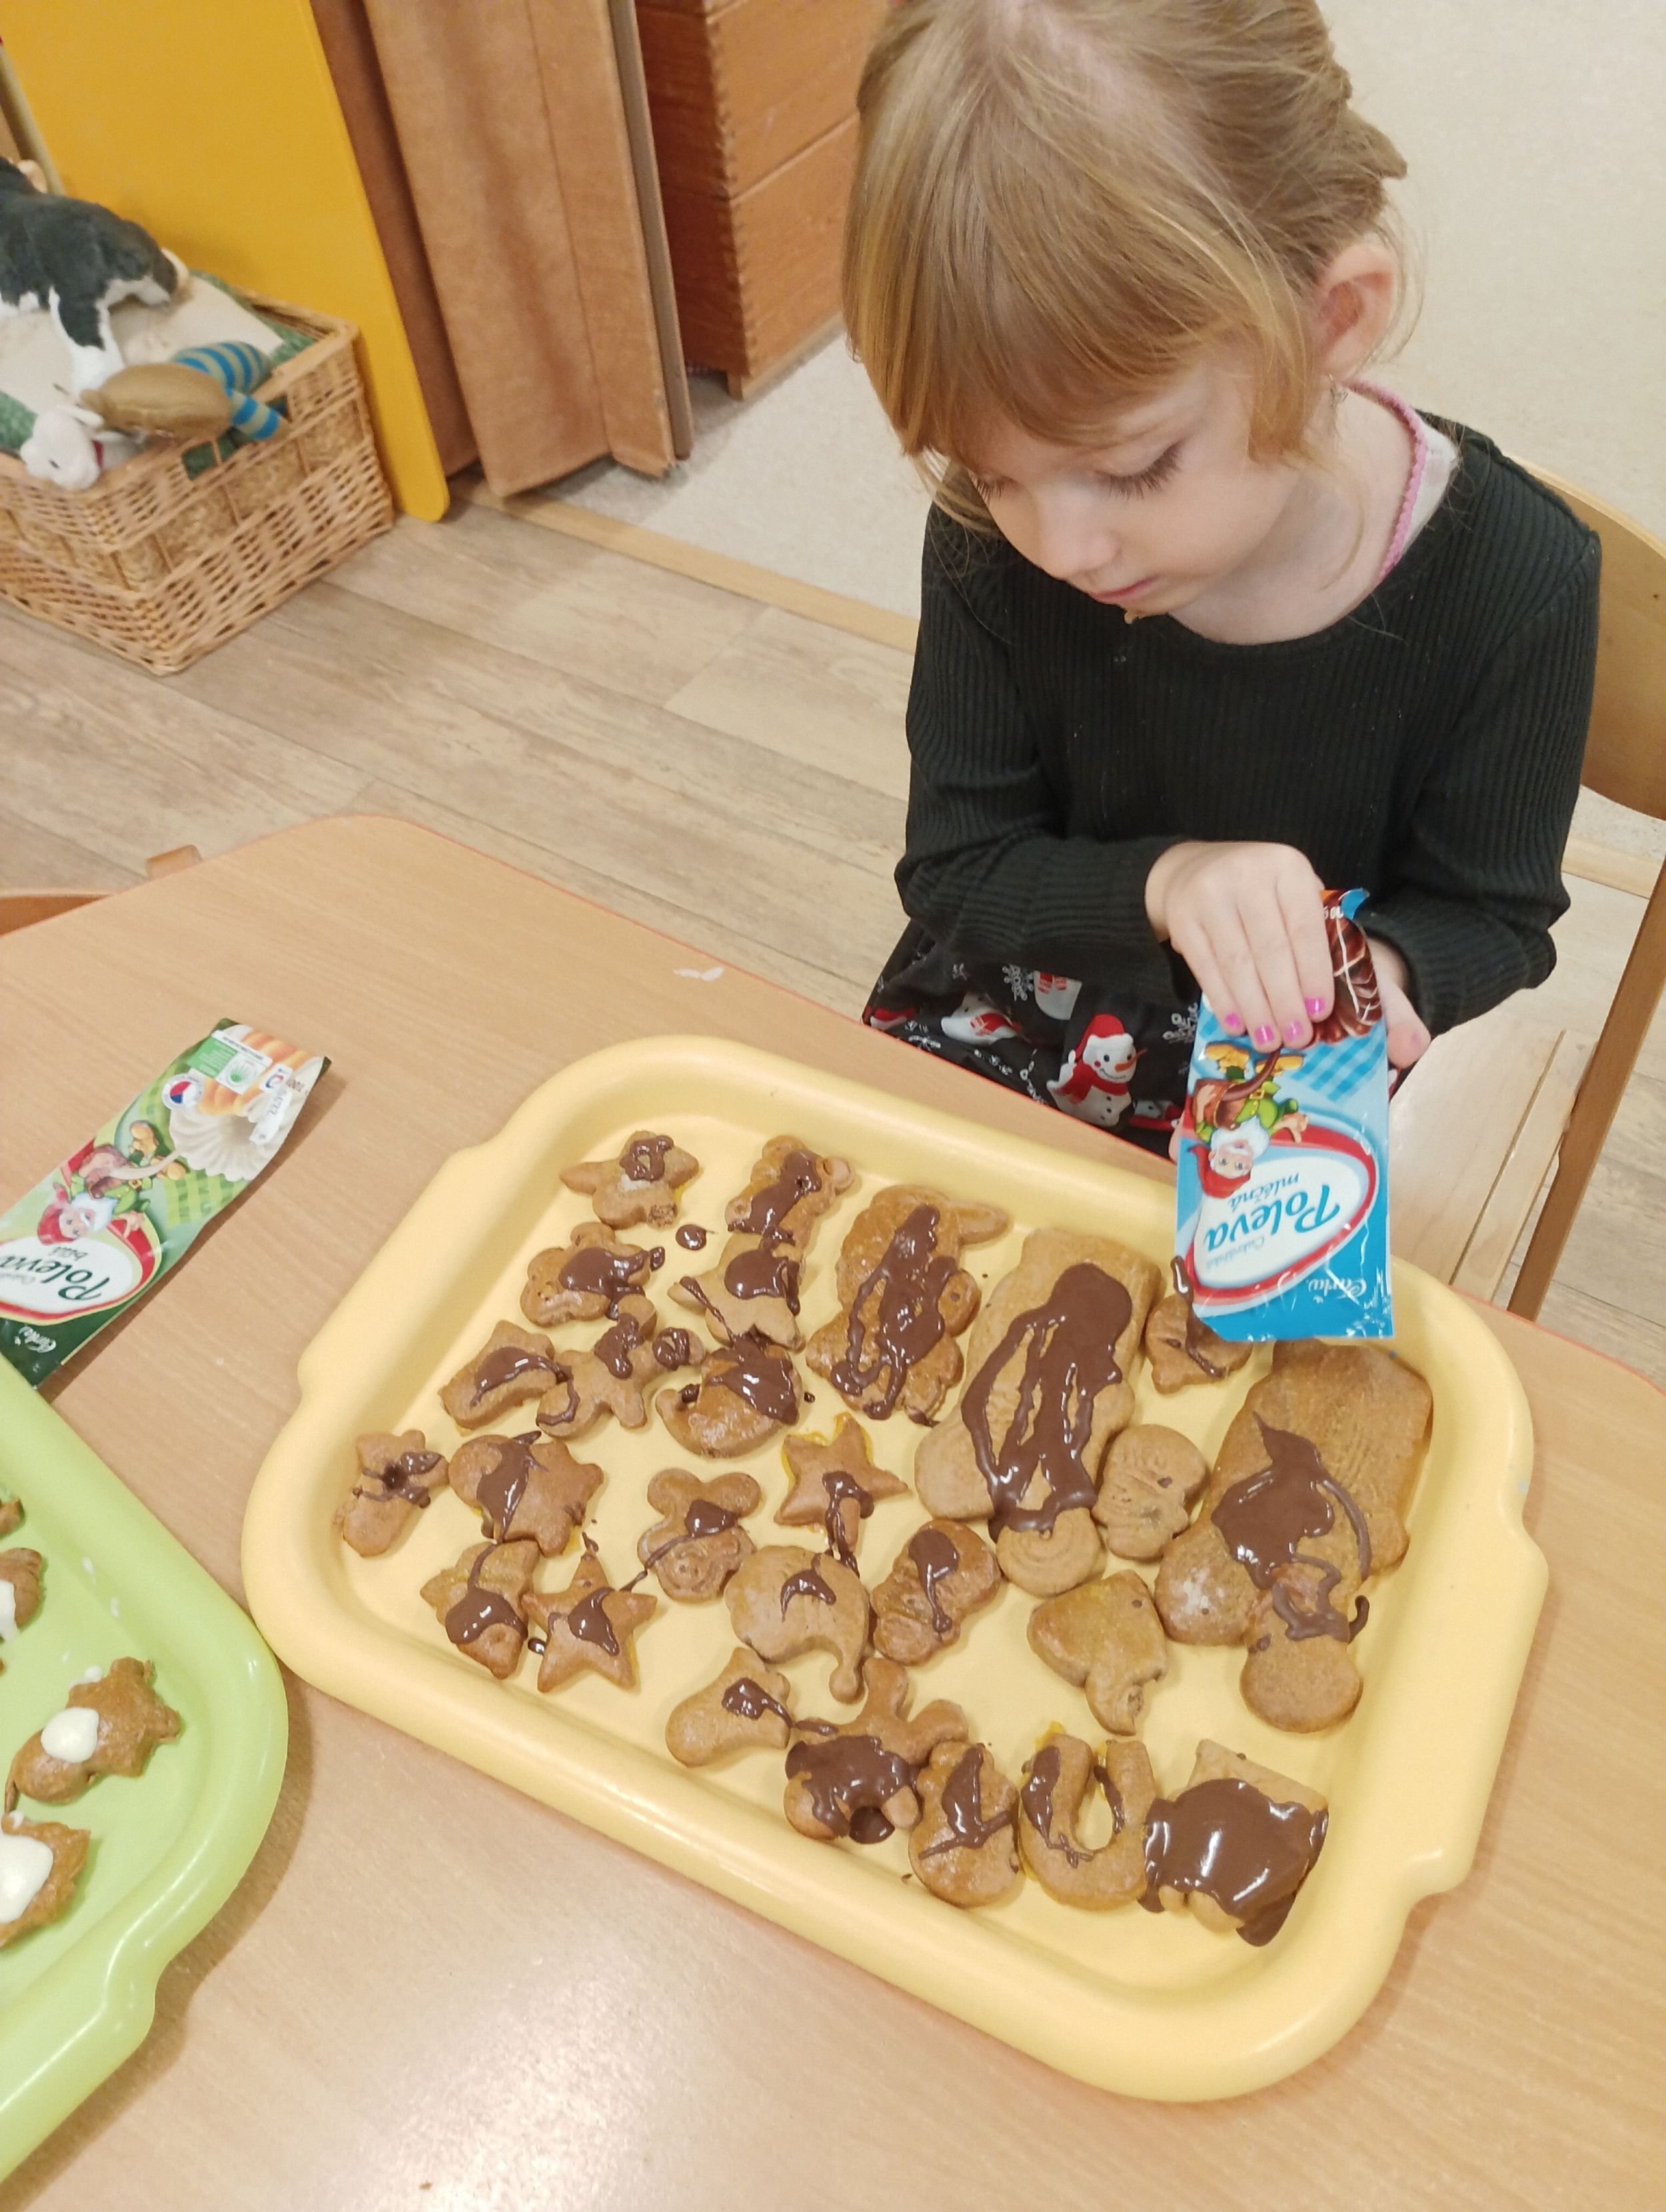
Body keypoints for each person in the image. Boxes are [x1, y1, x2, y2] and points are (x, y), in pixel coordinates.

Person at [843, 0, 1599, 1154]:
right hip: (1020, 1007)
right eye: (991, 472)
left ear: (1331, 320)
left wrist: (1373, 973)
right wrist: (1170, 883)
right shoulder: (991, 537)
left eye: (1133, 469)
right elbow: (957, 866)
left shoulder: (1515, 581)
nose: (1063, 548)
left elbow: (1493, 913)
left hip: (1295, 1077)